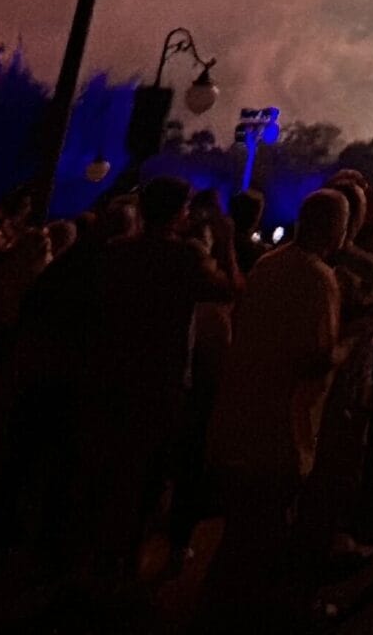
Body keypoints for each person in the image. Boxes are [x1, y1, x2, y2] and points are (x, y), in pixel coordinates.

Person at [82, 175, 240, 585]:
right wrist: (224, 242)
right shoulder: (184, 256)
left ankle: (98, 554)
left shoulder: (117, 251)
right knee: (149, 474)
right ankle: (128, 558)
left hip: (113, 370)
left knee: (112, 466)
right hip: (161, 377)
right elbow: (230, 290)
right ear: (176, 213)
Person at [201, 188, 346, 635]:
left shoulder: (269, 265)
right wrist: (353, 341)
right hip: (282, 425)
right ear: (334, 229)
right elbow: (316, 358)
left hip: (243, 411)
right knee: (266, 528)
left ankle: (216, 607)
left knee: (242, 525)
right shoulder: (318, 277)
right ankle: (257, 613)